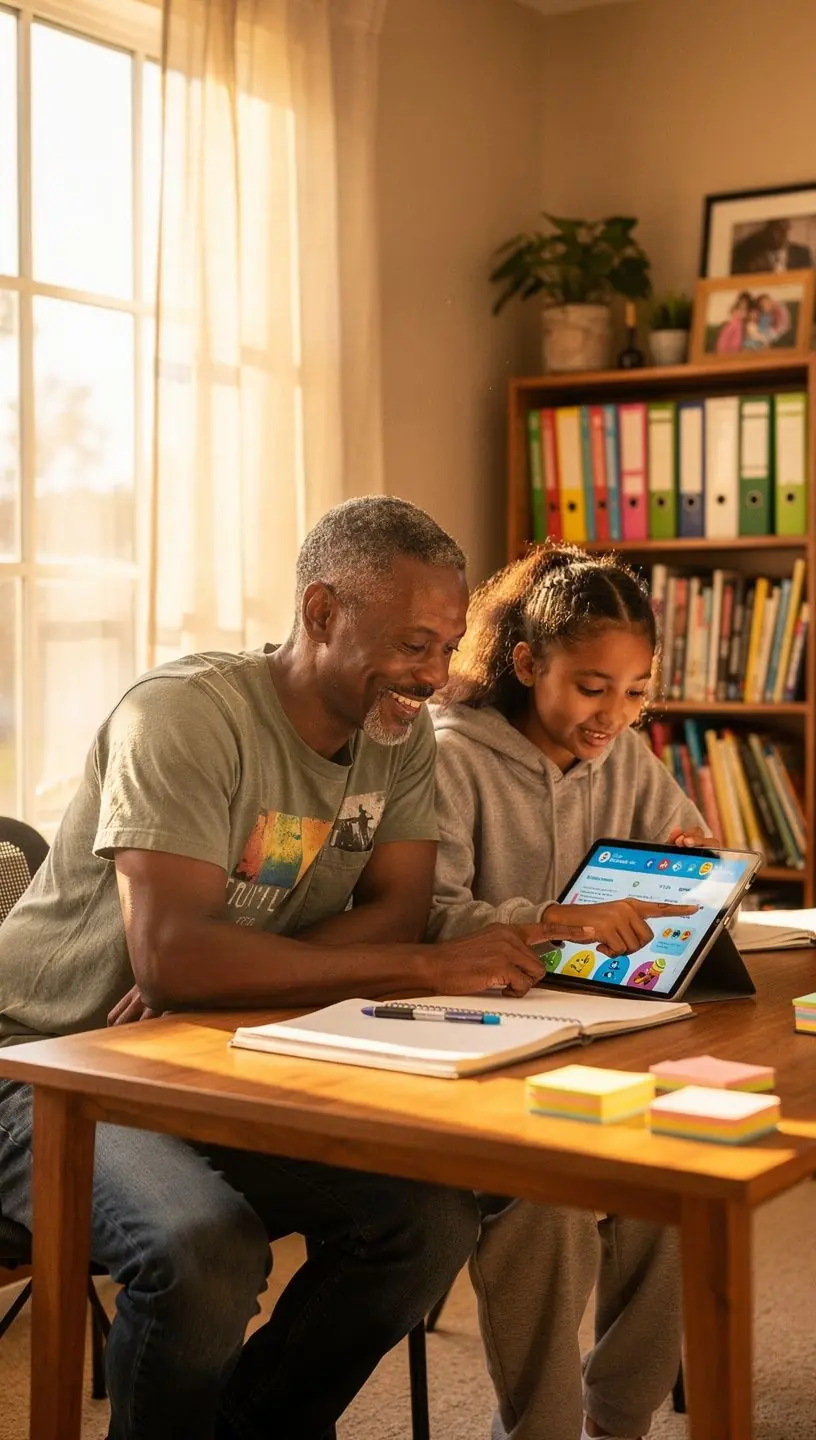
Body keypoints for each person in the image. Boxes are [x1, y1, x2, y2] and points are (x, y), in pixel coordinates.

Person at [0, 498, 592, 1440]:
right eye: (412, 646)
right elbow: (177, 956)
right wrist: (423, 966)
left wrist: (219, 972)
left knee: (429, 1222)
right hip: (45, 1066)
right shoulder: (183, 718)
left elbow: (387, 909)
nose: (436, 678)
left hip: (206, 1051)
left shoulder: (398, 737)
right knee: (204, 1249)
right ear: (321, 613)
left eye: (447, 646)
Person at [427, 544, 713, 1440]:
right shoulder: (450, 758)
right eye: (593, 687)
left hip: (596, 1039)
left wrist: (696, 877)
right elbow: (430, 919)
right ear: (526, 663)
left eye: (636, 693)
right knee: (544, 1206)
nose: (614, 715)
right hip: (475, 1043)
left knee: (683, 1177)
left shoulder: (623, 758)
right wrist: (554, 919)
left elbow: (690, 863)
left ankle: (617, 1423)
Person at [730, 217, 813, 274]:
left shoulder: (803, 254)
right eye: (772, 230)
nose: (775, 236)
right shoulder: (748, 254)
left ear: (787, 230)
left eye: (781, 230)